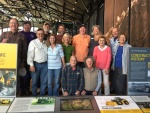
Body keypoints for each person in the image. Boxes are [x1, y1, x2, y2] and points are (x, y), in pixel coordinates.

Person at [0, 18, 27, 96]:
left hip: (17, 60)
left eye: (15, 23)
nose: (13, 25)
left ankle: (17, 93)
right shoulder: (3, 34)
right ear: (9, 24)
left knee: (16, 77)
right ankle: (4, 93)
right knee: (4, 76)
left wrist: (23, 62)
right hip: (5, 60)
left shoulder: (22, 36)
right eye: (11, 23)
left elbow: (25, 49)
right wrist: (2, 43)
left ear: (18, 25)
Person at [27, 28, 48, 96]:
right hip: (35, 64)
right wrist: (31, 65)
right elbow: (30, 54)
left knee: (44, 82)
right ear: (36, 34)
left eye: (42, 33)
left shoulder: (46, 43)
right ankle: (34, 96)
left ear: (44, 34)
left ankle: (42, 95)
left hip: (45, 64)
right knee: (34, 82)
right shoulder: (33, 42)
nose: (40, 35)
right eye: (39, 34)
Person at [20, 21, 36, 95]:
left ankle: (27, 89)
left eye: (28, 26)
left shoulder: (33, 34)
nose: (27, 27)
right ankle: (21, 89)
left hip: (31, 58)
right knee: (21, 74)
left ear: (30, 27)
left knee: (29, 75)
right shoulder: (20, 34)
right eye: (25, 26)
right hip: (22, 57)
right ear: (23, 26)